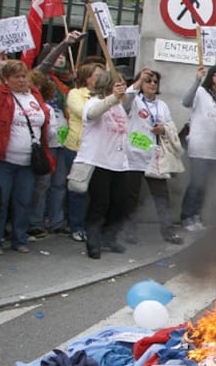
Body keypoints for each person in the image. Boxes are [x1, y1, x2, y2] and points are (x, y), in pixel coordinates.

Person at [0, 59, 53, 254]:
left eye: (24, 76)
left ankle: (20, 239)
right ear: (6, 79)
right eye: (16, 77)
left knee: (23, 201)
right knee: (1, 201)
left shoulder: (34, 94)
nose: (22, 80)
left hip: (28, 161)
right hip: (3, 159)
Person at [123, 68, 184, 245]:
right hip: (134, 156)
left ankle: (168, 231)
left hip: (155, 158)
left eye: (154, 82)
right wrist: (137, 82)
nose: (151, 84)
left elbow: (170, 125)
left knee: (161, 196)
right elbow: (124, 101)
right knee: (131, 197)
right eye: (147, 80)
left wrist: (163, 129)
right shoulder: (134, 101)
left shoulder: (162, 106)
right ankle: (129, 231)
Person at [73, 71, 129, 259]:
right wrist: (113, 97)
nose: (122, 88)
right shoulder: (94, 102)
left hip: (118, 163)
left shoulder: (120, 107)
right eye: (117, 84)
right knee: (100, 203)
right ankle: (93, 240)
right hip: (99, 162)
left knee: (119, 203)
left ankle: (109, 237)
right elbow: (92, 113)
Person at [180, 64, 216, 232]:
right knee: (196, 183)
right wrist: (197, 80)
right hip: (200, 148)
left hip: (214, 151)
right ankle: (187, 217)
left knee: (205, 185)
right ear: (211, 77)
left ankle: (196, 216)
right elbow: (186, 101)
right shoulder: (201, 92)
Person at [63, 62, 105, 241]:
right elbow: (84, 113)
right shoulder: (75, 94)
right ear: (87, 77)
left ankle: (93, 225)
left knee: (97, 192)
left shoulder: (107, 96)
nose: (101, 78)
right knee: (78, 189)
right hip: (78, 148)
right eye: (97, 75)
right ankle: (76, 226)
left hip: (99, 150)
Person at [28, 70, 68, 239]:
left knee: (59, 184)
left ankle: (56, 222)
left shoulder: (56, 105)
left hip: (61, 145)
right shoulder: (37, 105)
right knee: (42, 185)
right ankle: (35, 222)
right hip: (47, 147)